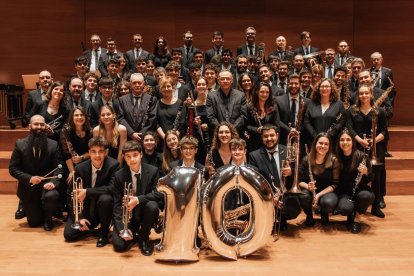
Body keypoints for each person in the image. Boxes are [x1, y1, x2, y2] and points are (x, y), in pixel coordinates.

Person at [9, 115, 63, 231]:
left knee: (52, 195)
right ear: (30, 126)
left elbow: (59, 168)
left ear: (45, 126)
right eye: (36, 124)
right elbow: (13, 168)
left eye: (42, 124)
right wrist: (30, 178)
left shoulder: (53, 145)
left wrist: (53, 183)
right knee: (33, 223)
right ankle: (24, 203)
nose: (39, 127)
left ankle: (48, 220)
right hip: (29, 187)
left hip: (46, 184)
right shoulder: (20, 144)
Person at [63, 137, 119, 247]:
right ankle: (91, 228)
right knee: (69, 235)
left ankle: (103, 232)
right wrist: (79, 217)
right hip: (85, 211)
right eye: (93, 152)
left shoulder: (114, 165)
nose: (97, 155)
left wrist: (87, 192)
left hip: (103, 210)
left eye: (100, 152)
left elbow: (113, 188)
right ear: (89, 153)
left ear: (106, 152)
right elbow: (71, 193)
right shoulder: (80, 168)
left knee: (106, 198)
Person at [112, 140, 163, 255]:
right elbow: (116, 205)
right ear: (124, 158)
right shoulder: (119, 175)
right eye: (128, 156)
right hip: (128, 218)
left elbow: (158, 193)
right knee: (119, 246)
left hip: (145, 213)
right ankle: (133, 232)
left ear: (141, 155)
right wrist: (122, 228)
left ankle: (143, 238)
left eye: (135, 155)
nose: (132, 159)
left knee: (153, 205)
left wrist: (138, 200)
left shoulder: (152, 170)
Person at [346, 84, 388, 218]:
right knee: (355, 175)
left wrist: (373, 140)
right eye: (361, 93)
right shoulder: (352, 111)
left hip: (376, 148)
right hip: (358, 148)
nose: (364, 96)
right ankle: (353, 202)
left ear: (371, 94)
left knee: (376, 177)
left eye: (366, 93)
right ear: (358, 95)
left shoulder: (379, 111)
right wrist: (360, 140)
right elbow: (349, 129)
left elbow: (385, 132)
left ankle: (375, 206)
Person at [336, 129, 374, 233]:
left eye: (348, 140)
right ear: (338, 142)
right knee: (345, 208)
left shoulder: (362, 156)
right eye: (342, 140)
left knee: (366, 196)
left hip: (360, 190)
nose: (345, 142)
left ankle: (357, 220)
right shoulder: (336, 157)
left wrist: (366, 172)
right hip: (344, 192)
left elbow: (372, 178)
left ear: (353, 142)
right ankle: (350, 214)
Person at [298, 133, 339, 225]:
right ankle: (309, 214)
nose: (323, 146)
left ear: (329, 146)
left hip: (327, 192)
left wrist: (318, 195)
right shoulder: (306, 159)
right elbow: (299, 181)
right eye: (320, 143)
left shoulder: (334, 160)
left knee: (329, 203)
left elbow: (335, 184)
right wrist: (308, 186)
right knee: (304, 196)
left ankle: (324, 213)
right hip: (310, 190)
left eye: (326, 144)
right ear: (315, 144)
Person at [304, 78, 346, 146]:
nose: (324, 88)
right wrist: (316, 136)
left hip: (332, 142)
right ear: (318, 89)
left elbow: (341, 122)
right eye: (322, 86)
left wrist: (329, 136)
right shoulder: (311, 103)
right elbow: (307, 121)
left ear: (331, 88)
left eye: (327, 86)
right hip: (313, 142)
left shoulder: (339, 104)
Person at [206, 70, 248, 136]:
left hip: (236, 134)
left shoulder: (241, 95)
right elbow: (210, 117)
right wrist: (222, 131)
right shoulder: (211, 96)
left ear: (232, 80)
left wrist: (231, 130)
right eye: (222, 79)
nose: (225, 81)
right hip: (218, 135)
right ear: (218, 80)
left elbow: (243, 116)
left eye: (228, 78)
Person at [119, 73, 158, 142]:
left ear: (143, 84)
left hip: (145, 138)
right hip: (128, 138)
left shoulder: (152, 99)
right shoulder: (122, 99)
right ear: (130, 85)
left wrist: (141, 134)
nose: (137, 85)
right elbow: (121, 118)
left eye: (139, 83)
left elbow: (152, 118)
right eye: (134, 83)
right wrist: (131, 133)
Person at [60, 107, 92, 183]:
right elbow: (66, 153)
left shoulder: (90, 131)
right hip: (70, 163)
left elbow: (92, 150)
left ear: (85, 117)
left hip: (87, 162)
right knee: (72, 180)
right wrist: (72, 171)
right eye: (76, 115)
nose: (79, 117)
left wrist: (81, 158)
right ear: (72, 117)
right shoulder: (66, 130)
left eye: (82, 115)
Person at [276, 74, 310, 146]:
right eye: (291, 83)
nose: (293, 85)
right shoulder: (278, 100)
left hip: (300, 139)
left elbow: (307, 121)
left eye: (296, 83)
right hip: (283, 139)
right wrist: (289, 130)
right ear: (288, 84)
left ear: (300, 85)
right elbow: (277, 119)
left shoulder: (307, 102)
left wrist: (298, 131)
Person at [246, 82, 280, 152]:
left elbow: (277, 125)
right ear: (257, 92)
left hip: (270, 142)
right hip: (254, 144)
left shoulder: (273, 107)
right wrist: (256, 129)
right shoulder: (249, 107)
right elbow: (246, 126)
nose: (265, 94)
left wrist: (267, 128)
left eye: (267, 92)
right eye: (262, 92)